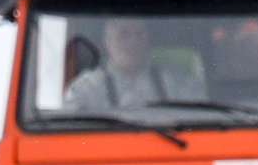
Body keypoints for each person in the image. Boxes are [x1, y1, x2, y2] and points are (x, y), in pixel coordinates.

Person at [63, 16, 203, 111]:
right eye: (124, 34)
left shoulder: (176, 82)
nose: (133, 42)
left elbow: (202, 117)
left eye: (140, 34)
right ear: (107, 42)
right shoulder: (87, 88)